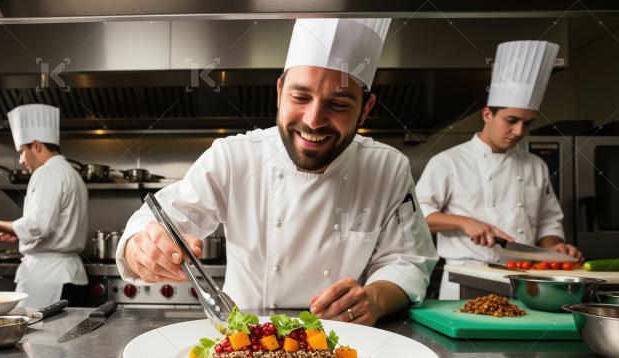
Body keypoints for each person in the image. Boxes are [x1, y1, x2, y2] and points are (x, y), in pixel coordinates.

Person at [116, 19, 437, 326]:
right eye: (300, 97)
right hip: (245, 343)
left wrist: (375, 299)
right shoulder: (234, 156)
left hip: (344, 347)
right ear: (280, 90)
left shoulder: (387, 168)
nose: (314, 120)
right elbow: (159, 220)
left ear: (365, 109)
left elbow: (408, 260)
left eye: (338, 104)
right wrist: (141, 249)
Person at [416, 40, 584, 299]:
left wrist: (556, 248)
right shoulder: (448, 162)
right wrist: (465, 222)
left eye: (527, 124)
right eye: (511, 121)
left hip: (525, 279)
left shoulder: (535, 165)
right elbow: (418, 216)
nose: (519, 132)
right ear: (487, 114)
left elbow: (548, 223)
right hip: (466, 278)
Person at [0, 104, 89, 308]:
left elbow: (39, 225)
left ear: (36, 145)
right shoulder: (71, 173)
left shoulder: (46, 172)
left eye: (21, 151)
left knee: (40, 337)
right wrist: (17, 232)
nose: (20, 160)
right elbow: (50, 225)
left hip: (48, 278)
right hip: (67, 275)